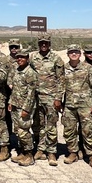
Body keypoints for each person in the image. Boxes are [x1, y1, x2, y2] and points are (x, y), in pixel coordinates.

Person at [57, 44, 92, 170]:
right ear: (68, 54)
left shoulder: (88, 68)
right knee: (69, 130)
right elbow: (60, 85)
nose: (74, 54)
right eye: (71, 52)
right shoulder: (63, 68)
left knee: (88, 131)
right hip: (69, 105)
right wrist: (59, 100)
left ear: (80, 54)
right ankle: (73, 153)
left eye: (76, 52)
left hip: (85, 105)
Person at [30, 33, 64, 166]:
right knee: (38, 125)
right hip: (36, 97)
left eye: (46, 43)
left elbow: (61, 80)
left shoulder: (56, 58)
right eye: (41, 43)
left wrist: (58, 98)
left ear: (49, 44)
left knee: (51, 126)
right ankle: (40, 149)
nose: (43, 45)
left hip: (51, 98)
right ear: (38, 44)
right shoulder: (33, 57)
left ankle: (52, 152)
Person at [7, 48, 38, 166]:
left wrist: (26, 109)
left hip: (25, 107)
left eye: (23, 57)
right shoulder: (16, 70)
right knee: (17, 131)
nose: (20, 59)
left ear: (27, 59)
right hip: (15, 104)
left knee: (23, 131)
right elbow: (14, 89)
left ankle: (29, 155)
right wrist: (11, 102)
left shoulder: (30, 73)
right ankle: (22, 152)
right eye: (18, 57)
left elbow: (31, 93)